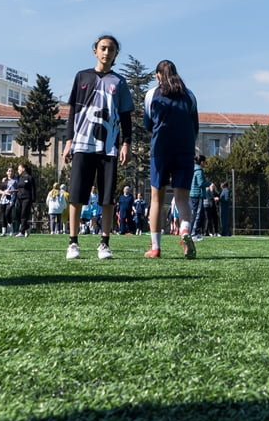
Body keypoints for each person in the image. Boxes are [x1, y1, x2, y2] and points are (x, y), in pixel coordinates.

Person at [61, 34, 133, 260]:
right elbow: (72, 111)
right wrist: (69, 140)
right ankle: (73, 243)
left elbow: (125, 116)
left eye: (111, 49)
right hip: (82, 143)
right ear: (95, 51)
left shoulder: (119, 82)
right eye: (103, 48)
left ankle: (104, 243)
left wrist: (126, 143)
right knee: (76, 195)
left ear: (115, 54)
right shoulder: (82, 76)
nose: (106, 53)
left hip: (108, 146)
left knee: (107, 197)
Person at [141, 59, 199, 259]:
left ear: (158, 75)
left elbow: (148, 123)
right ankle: (184, 230)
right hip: (185, 150)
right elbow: (195, 125)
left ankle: (156, 247)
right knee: (182, 198)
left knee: (157, 199)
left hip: (161, 149)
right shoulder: (189, 95)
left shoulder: (151, 94)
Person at [13, 162, 36, 237]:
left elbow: (33, 189)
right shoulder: (19, 178)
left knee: (24, 214)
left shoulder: (30, 178)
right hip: (19, 198)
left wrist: (33, 200)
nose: (18, 170)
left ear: (23, 169)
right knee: (17, 214)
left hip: (27, 198)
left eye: (19, 169)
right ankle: (27, 227)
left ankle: (22, 232)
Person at [189, 154, 208, 241]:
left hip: (193, 194)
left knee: (197, 214)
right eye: (204, 162)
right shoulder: (199, 171)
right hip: (198, 195)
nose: (205, 164)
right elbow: (200, 183)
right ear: (201, 162)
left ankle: (195, 233)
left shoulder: (193, 169)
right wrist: (210, 184)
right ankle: (193, 234)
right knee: (197, 215)